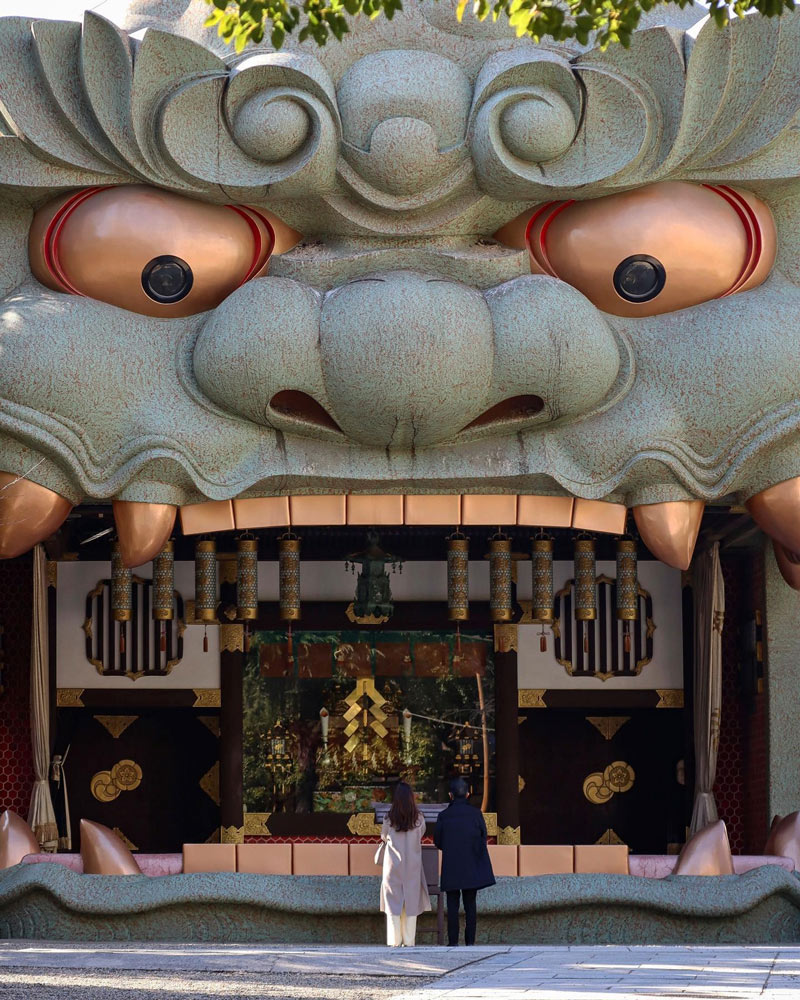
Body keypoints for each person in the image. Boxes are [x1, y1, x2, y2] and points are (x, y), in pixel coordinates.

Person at [434, 777, 495, 946]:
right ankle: (470, 942)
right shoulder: (476, 814)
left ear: (450, 795)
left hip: (451, 865)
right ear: (468, 794)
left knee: (452, 904)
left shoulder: (444, 816)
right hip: (471, 864)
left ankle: (453, 942)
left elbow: (438, 841)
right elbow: (483, 837)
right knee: (470, 903)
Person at [377, 781, 431, 947]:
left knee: (393, 904)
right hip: (412, 866)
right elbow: (421, 833)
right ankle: (409, 941)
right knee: (411, 903)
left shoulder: (389, 818)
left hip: (392, 866)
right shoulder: (419, 818)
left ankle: (394, 941)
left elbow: (383, 837)